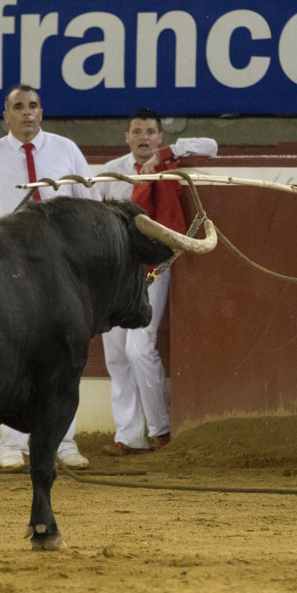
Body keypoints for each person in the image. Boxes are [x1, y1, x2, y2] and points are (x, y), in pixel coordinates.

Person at [0, 84, 101, 471]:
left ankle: (63, 442)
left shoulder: (66, 150)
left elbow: (88, 207)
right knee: (14, 357)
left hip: (63, 269)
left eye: (34, 106)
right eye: (18, 107)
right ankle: (12, 443)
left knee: (65, 354)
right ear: (5, 115)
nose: (27, 113)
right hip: (11, 268)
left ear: (42, 112)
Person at [94, 108, 217, 456]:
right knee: (117, 353)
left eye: (150, 132)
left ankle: (161, 430)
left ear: (160, 137)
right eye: (137, 131)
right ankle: (130, 435)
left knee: (139, 347)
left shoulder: (168, 163)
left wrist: (166, 156)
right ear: (127, 137)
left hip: (152, 270)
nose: (144, 137)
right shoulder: (112, 173)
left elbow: (211, 145)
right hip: (116, 272)